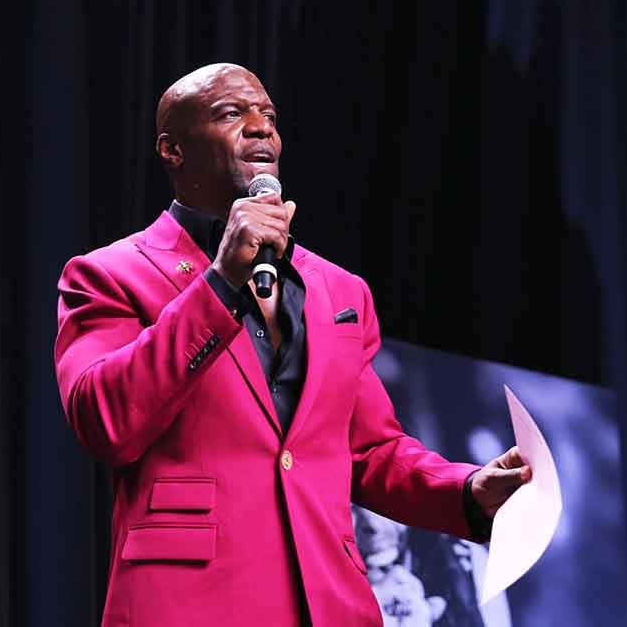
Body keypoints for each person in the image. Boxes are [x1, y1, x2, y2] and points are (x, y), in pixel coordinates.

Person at [53, 63, 531, 626]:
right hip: (191, 604)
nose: (261, 128)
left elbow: (369, 451)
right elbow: (103, 419)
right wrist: (219, 284)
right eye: (233, 113)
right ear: (172, 149)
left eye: (270, 117)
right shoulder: (108, 274)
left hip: (327, 602)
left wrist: (467, 491)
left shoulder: (339, 290)